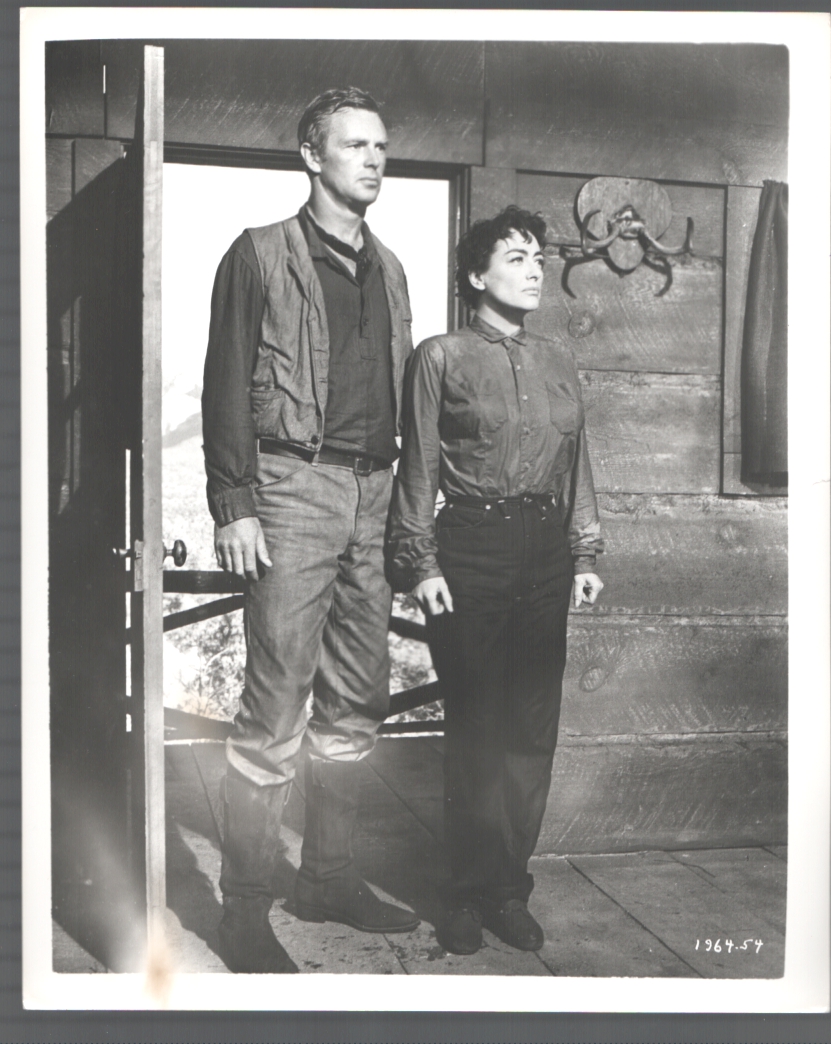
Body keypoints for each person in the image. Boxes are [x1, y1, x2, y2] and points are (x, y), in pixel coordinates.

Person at [202, 87, 419, 975]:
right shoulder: (258, 254)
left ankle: (326, 878)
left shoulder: (390, 268)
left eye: (380, 146)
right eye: (355, 145)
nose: (373, 159)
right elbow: (224, 382)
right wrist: (235, 502)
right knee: (273, 707)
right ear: (310, 155)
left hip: (376, 492)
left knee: (355, 703)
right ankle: (242, 909)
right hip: (291, 487)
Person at [387, 206, 604, 956]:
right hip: (470, 550)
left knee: (530, 731)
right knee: (477, 727)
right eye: (516, 258)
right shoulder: (439, 357)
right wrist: (421, 563)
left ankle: (507, 890)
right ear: (476, 277)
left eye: (538, 258)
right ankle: (462, 893)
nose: (534, 269)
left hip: (545, 553)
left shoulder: (558, 361)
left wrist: (584, 555)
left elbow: (577, 464)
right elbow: (416, 466)